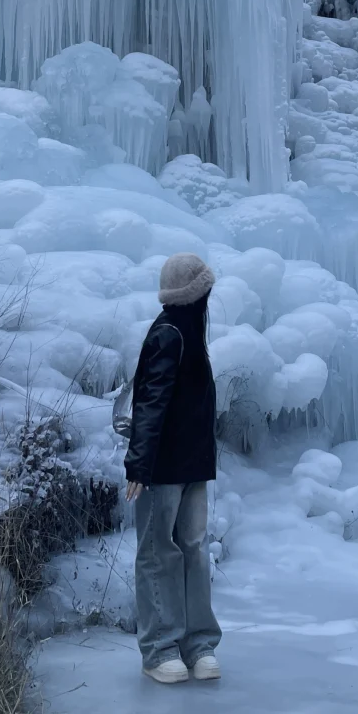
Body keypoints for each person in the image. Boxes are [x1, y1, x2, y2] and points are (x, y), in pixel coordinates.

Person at [124, 252, 222, 684]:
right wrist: (139, 465)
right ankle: (168, 648)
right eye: (207, 288)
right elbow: (150, 403)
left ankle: (194, 648)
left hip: (188, 467)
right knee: (164, 553)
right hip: (163, 468)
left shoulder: (181, 331)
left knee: (184, 552)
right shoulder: (172, 334)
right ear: (198, 293)